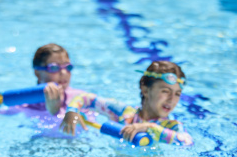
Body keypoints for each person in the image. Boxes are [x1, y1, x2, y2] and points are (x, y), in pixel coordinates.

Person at [60, 60, 193, 146]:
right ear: (145, 90)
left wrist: (149, 127)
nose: (171, 99)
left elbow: (187, 142)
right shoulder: (123, 113)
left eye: (177, 94)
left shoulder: (172, 126)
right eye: (165, 91)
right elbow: (85, 98)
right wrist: (72, 112)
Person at [0, 43, 86, 117]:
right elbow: (1, 111)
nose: (63, 73)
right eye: (54, 68)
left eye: (68, 67)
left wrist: (56, 112)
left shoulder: (81, 98)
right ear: (37, 73)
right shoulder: (25, 103)